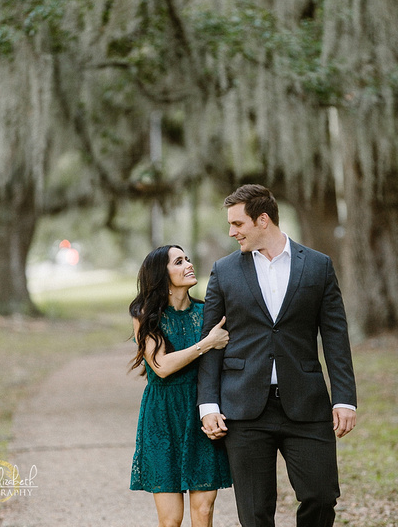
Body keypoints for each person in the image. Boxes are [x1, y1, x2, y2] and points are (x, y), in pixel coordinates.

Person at [197, 184, 357, 527]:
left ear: (263, 220)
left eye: (238, 224)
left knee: (321, 496)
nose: (231, 232)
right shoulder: (224, 271)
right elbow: (209, 342)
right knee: (255, 513)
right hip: (243, 408)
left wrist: (344, 398)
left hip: (306, 403)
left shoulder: (318, 266)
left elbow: (335, 336)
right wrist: (208, 404)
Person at [129, 244, 232, 527]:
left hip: (200, 410)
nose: (188, 264)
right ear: (161, 275)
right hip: (162, 415)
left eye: (187, 258)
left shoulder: (207, 311)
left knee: (203, 511)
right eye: (178, 262)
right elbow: (161, 366)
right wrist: (206, 343)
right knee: (171, 519)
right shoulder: (145, 314)